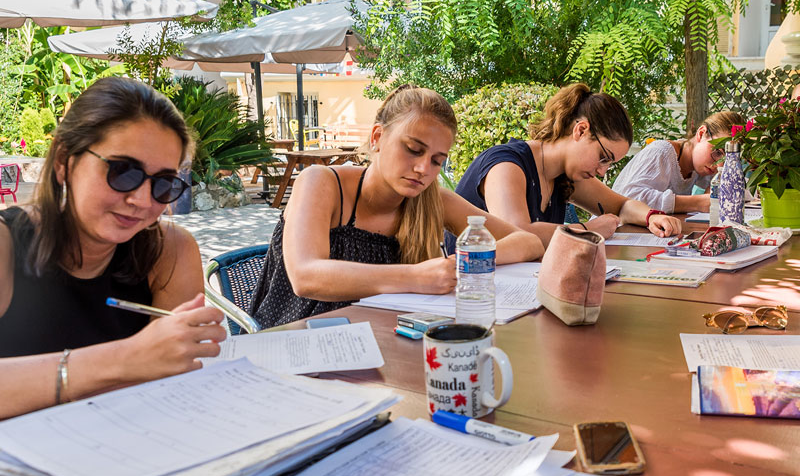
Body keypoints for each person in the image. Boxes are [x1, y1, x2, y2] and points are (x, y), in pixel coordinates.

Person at [0, 77, 225, 421]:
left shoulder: (171, 250)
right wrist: (125, 359)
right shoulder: (7, 243)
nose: (142, 200)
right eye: (123, 172)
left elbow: (174, 382)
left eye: (164, 183)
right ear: (64, 161)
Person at [249, 84, 545, 329]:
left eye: (437, 161)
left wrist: (460, 263)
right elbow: (306, 276)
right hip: (294, 338)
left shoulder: (432, 199)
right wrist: (418, 277)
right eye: (413, 150)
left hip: (379, 341)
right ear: (377, 138)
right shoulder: (321, 183)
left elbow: (528, 243)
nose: (422, 168)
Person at [453, 83, 683, 247]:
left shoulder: (565, 176)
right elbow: (517, 234)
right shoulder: (506, 166)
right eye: (603, 157)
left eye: (609, 164)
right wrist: (587, 230)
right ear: (580, 130)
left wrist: (652, 217)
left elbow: (621, 206)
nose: (602, 171)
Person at [612, 111, 745, 213]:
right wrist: (696, 202)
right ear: (701, 133)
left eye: (725, 159)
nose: (718, 165)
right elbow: (629, 198)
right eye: (718, 152)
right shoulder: (662, 152)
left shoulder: (699, 165)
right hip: (613, 235)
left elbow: (713, 195)